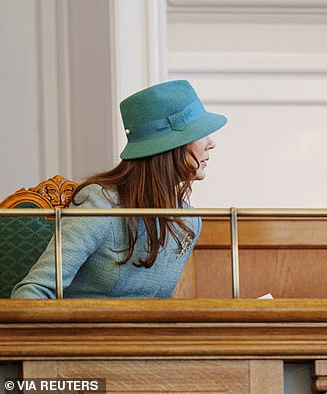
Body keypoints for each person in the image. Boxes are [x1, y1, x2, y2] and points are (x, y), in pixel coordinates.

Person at [11, 80, 227, 298]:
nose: (211, 143)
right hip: (84, 331)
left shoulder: (189, 221)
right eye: (200, 133)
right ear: (170, 145)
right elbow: (31, 292)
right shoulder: (100, 204)